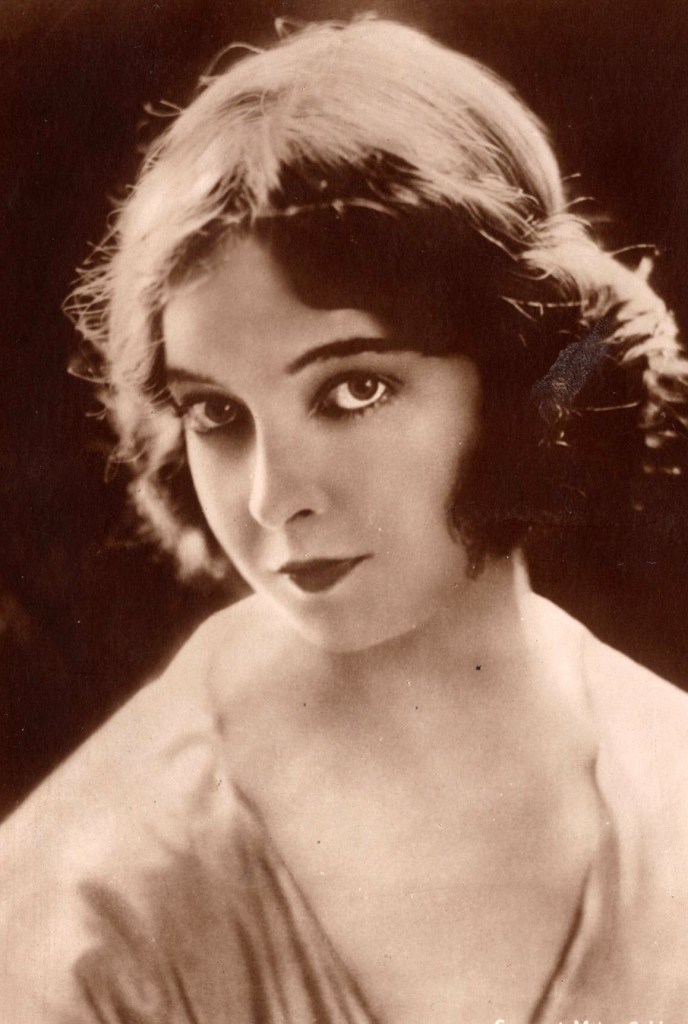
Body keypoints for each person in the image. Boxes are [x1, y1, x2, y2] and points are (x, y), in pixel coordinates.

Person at [2, 15, 688, 1023]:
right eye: (217, 414)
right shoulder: (93, 889)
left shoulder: (672, 778)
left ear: (525, 384)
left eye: (353, 389)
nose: (271, 496)